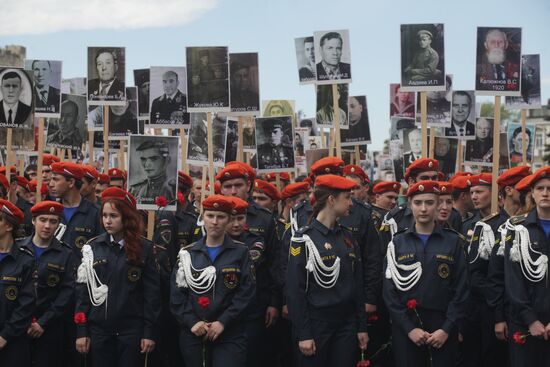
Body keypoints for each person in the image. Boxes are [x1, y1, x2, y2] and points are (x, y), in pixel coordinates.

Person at [383, 181, 469, 367]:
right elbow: (389, 292)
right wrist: (409, 328)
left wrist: (446, 329)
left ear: (438, 205)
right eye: (418, 203)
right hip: (407, 328)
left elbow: (461, 289)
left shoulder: (453, 242)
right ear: (409, 204)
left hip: (442, 326)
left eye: (429, 203)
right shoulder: (398, 243)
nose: (423, 208)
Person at [286, 174, 368, 366]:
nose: (351, 203)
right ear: (331, 199)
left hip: (346, 324)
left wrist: (361, 326)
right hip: (317, 324)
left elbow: (357, 284)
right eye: (347, 197)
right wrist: (304, 333)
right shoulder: (303, 240)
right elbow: (295, 291)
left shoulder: (347, 237)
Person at [74, 187, 160, 366]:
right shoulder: (93, 248)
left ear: (126, 218)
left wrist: (148, 333)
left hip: (131, 332)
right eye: (104, 216)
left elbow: (151, 296)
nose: (107, 221)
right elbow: (83, 293)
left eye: (113, 216)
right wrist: (82, 331)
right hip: (99, 332)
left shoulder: (145, 249)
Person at [170, 195, 255, 367]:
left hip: (229, 333)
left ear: (229, 220)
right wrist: (192, 321)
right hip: (194, 332)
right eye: (210, 216)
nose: (215, 222)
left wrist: (223, 321)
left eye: (221, 217)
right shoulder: (188, 254)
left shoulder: (241, 252)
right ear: (202, 218)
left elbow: (246, 292)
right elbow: (177, 294)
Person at [216, 162, 281, 367]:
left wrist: (274, 302)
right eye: (227, 186)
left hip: (255, 305)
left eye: (238, 185)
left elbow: (275, 262)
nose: (233, 190)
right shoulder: (212, 216)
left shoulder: (264, 218)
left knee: (252, 358)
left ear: (249, 186)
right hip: (219, 306)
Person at [460, 173, 509, 367]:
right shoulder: (468, 226)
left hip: (496, 303)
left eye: (479, 191)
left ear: (495, 192)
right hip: (472, 305)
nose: (474, 196)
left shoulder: (507, 224)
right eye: (472, 192)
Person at [504, 166, 550, 366]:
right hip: (524, 323)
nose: (546, 193)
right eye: (540, 188)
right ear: (532, 192)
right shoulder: (518, 229)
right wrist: (530, 319)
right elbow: (513, 279)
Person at [22, 201, 76, 367]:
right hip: (17, 326)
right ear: (33, 221)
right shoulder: (18, 249)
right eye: (42, 220)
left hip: (50, 326)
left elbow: (67, 293)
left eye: (53, 222)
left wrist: (42, 322)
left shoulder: (66, 254)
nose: (47, 226)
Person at [0, 200, 34, 366]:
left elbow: (26, 305)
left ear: (9, 226)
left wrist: (5, 336)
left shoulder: (25, 260)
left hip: (12, 342)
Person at [48, 162, 102, 252]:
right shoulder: (51, 210)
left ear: (71, 182)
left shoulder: (95, 213)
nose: (51, 184)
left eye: (55, 179)